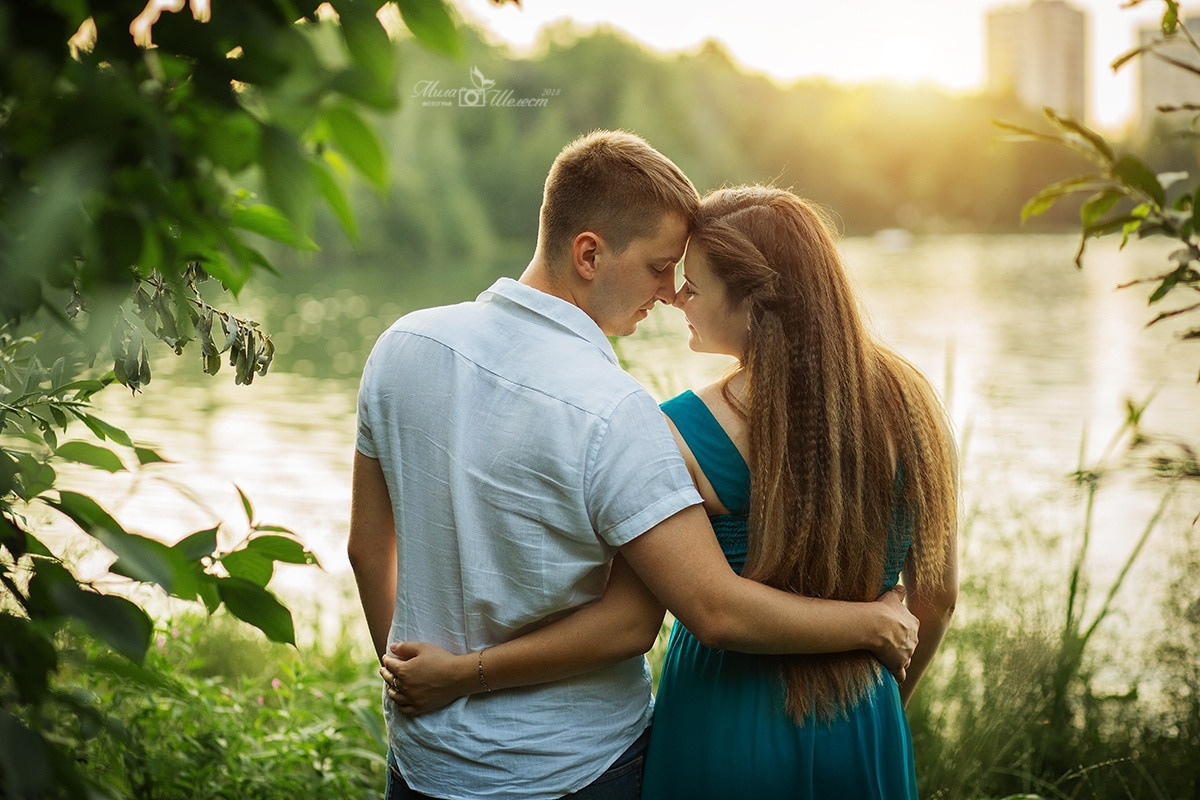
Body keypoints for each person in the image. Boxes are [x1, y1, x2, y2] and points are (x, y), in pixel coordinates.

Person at [349, 132, 921, 800]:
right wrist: (874, 622)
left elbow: (366, 550)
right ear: (589, 253)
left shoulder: (400, 345)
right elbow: (643, 622)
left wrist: (410, 680)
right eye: (658, 266)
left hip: (425, 768)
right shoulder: (616, 412)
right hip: (576, 772)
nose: (670, 292)